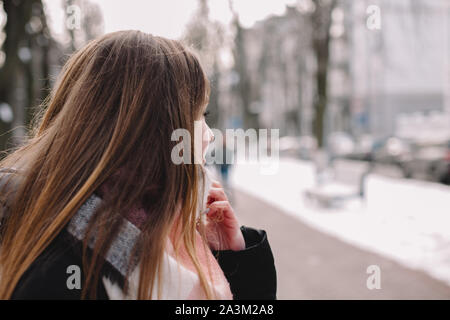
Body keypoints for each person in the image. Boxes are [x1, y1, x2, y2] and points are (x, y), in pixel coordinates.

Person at [0, 31, 276, 300]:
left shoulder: (154, 233)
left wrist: (234, 258)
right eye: (199, 114)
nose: (210, 134)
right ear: (156, 131)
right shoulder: (56, 276)